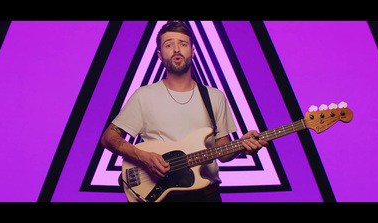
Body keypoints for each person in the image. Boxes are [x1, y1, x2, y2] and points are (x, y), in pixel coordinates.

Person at [101, 21, 268, 202]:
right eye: (169, 44)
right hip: (162, 195)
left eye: (183, 44)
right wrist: (144, 157)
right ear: (159, 54)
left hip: (206, 195)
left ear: (192, 51)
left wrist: (241, 147)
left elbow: (223, 153)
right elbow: (109, 138)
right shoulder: (143, 96)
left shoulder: (215, 97)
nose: (176, 49)